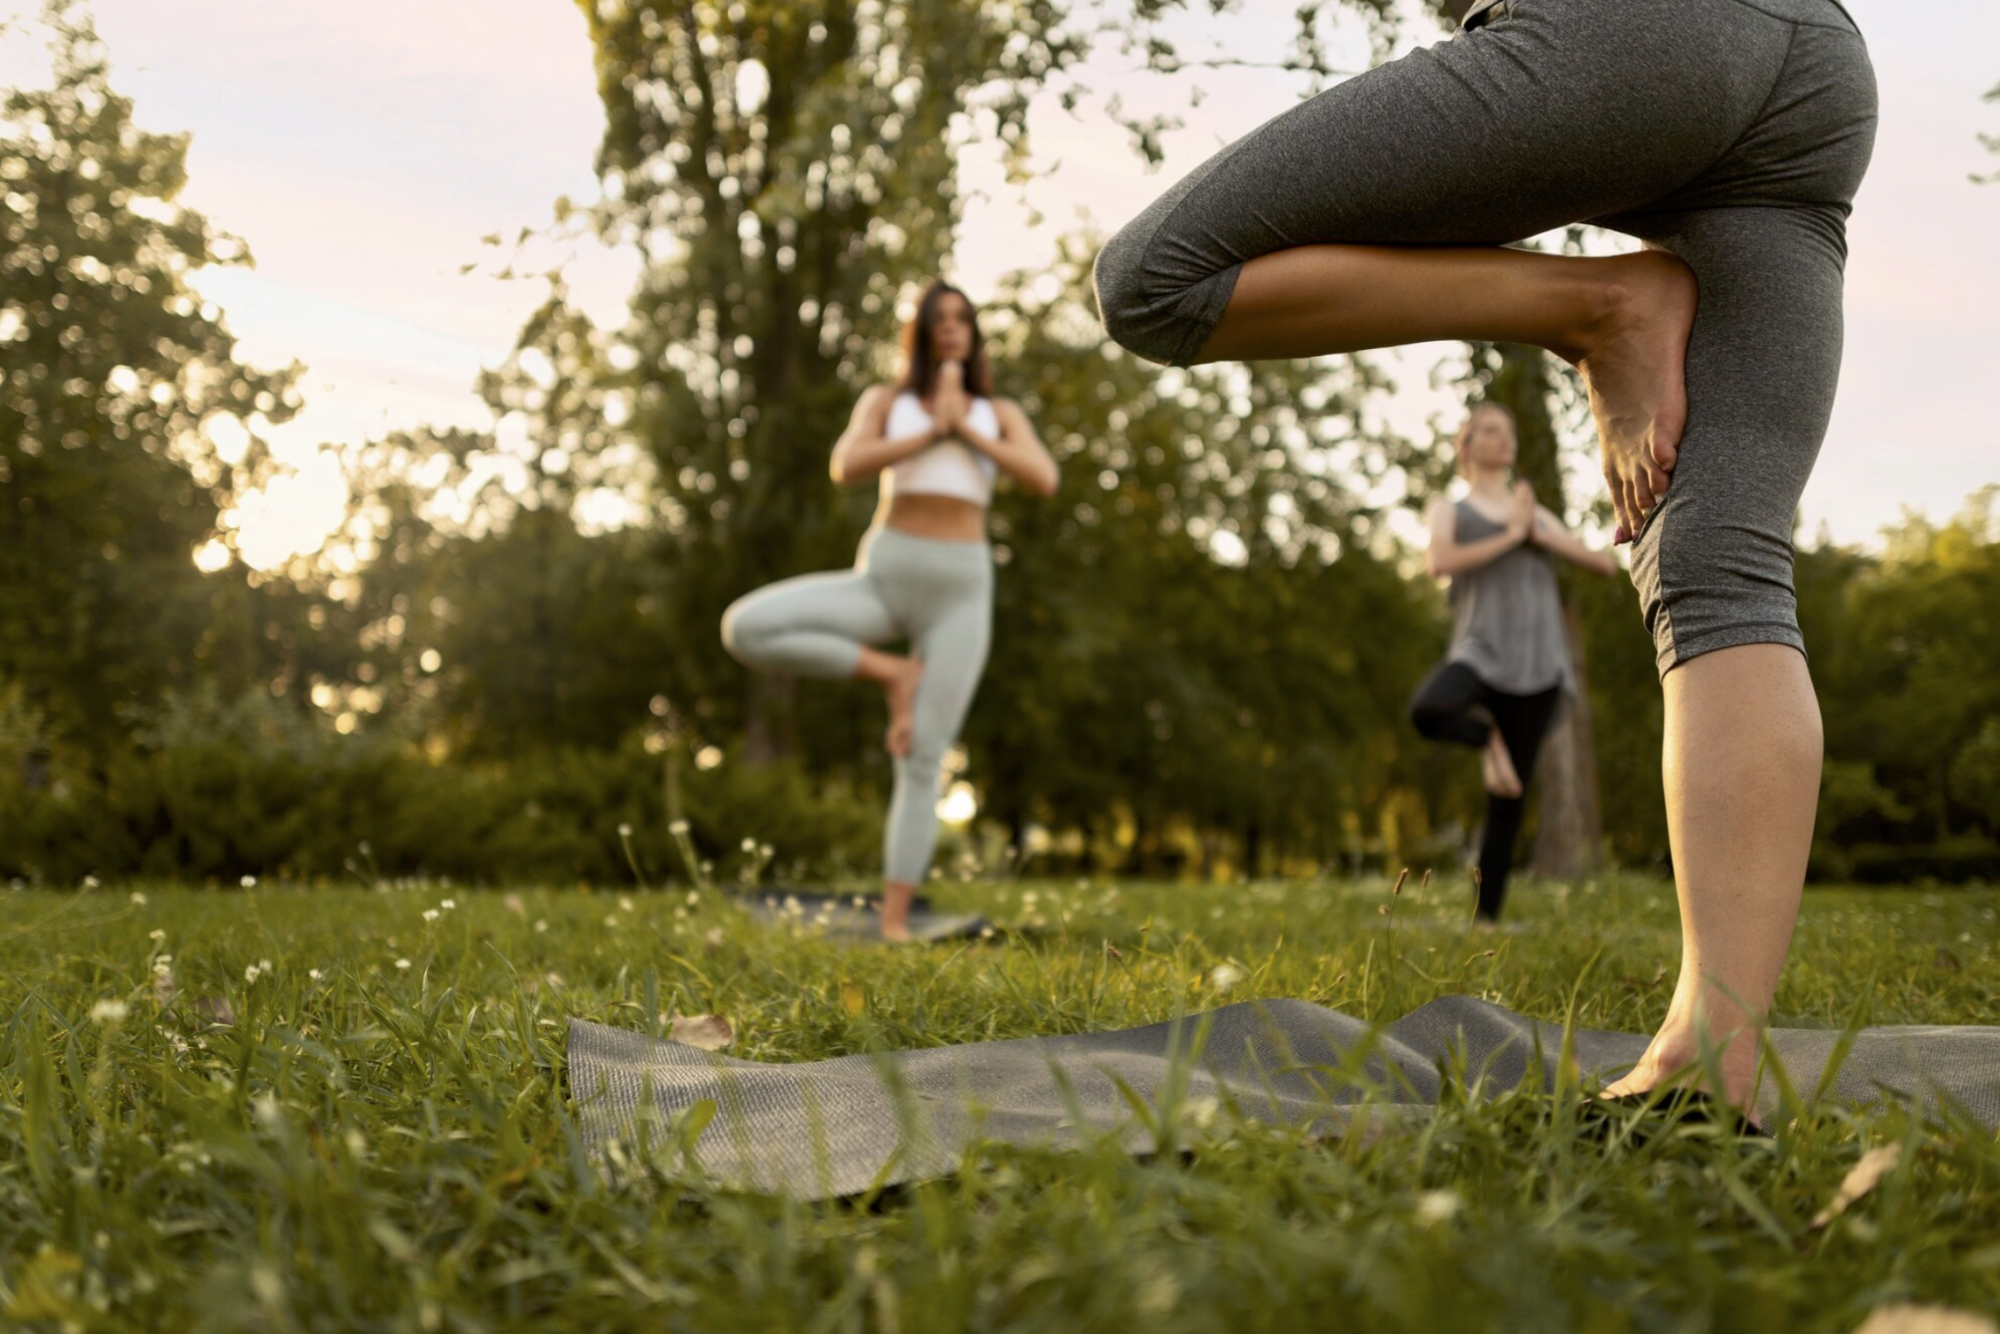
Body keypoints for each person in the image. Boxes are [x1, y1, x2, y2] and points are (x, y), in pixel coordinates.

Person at [1092, 0, 1876, 1114]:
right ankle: (1713, 1060)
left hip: (1638, 40)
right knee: (1718, 561)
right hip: (1816, 73)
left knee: (1154, 279)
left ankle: (1590, 305)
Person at [721, 281, 1059, 941]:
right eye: (940, 319)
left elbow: (1042, 477)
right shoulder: (888, 401)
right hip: (883, 576)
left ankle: (896, 925)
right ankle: (890, 673)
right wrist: (932, 428)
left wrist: (966, 429)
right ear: (923, 332)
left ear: (975, 332)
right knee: (746, 626)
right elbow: (847, 465)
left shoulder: (1001, 414)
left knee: (923, 757)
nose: (952, 328)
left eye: (963, 317)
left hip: (961, 590)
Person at [1410, 402, 1617, 924]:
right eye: (1491, 431)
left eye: (1509, 431)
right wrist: (1510, 535)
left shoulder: (1535, 514)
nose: (1505, 439)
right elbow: (1439, 562)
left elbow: (1605, 565)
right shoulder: (1451, 510)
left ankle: (1485, 921)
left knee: (1508, 799)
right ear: (1468, 445)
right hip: (1479, 653)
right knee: (1429, 709)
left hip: (1539, 666)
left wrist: (1538, 534)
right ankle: (1487, 739)